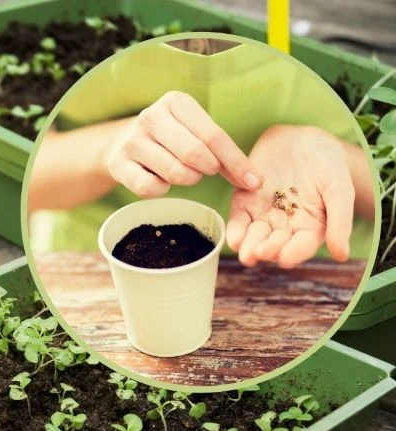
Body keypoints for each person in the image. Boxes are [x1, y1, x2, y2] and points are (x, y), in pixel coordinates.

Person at [27, 38, 375, 269]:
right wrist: (112, 146)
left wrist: (341, 164)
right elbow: (20, 179)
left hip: (329, 274)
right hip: (89, 265)